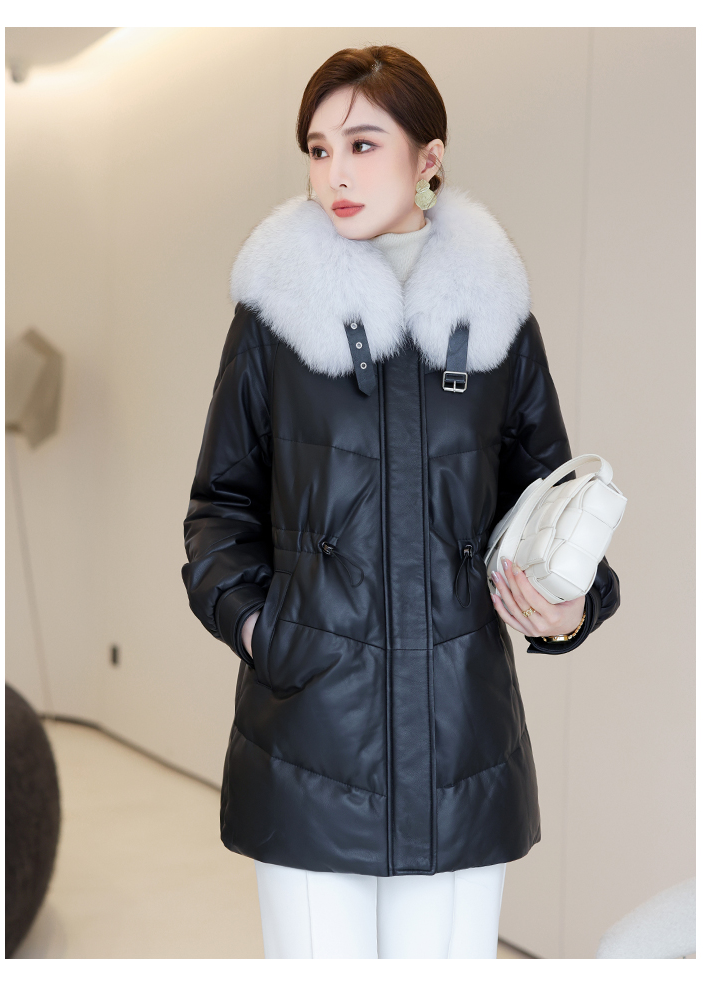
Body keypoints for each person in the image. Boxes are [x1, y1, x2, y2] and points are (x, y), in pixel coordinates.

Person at [182, 45, 621, 959]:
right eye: (317, 150)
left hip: (462, 745)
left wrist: (575, 603)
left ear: (429, 158)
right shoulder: (273, 320)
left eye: (362, 144)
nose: (333, 175)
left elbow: (552, 501)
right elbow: (218, 510)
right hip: (309, 737)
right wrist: (266, 630)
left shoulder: (496, 319)